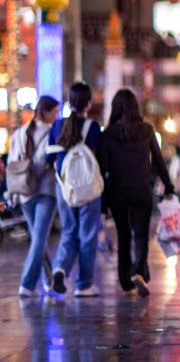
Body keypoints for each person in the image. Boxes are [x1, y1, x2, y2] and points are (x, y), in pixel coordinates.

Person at [98, 89, 175, 296]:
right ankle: (138, 271)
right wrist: (168, 187)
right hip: (142, 190)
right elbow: (158, 161)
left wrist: (103, 203)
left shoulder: (108, 135)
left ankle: (126, 281)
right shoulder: (147, 130)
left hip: (118, 192)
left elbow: (103, 169)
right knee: (141, 234)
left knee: (123, 236)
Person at [48, 82, 104, 297]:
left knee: (69, 231)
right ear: (88, 104)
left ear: (70, 101)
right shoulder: (93, 126)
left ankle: (60, 269)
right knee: (88, 235)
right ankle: (84, 285)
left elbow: (49, 158)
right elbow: (100, 158)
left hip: (64, 187)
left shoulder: (57, 125)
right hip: (88, 188)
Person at [9, 96, 60, 296]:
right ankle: (27, 284)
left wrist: (15, 191)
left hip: (24, 192)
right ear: (46, 113)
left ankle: (49, 282)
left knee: (39, 238)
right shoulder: (51, 132)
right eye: (55, 112)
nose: (56, 116)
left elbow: (13, 162)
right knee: (39, 239)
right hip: (45, 191)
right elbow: (46, 160)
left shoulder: (20, 132)